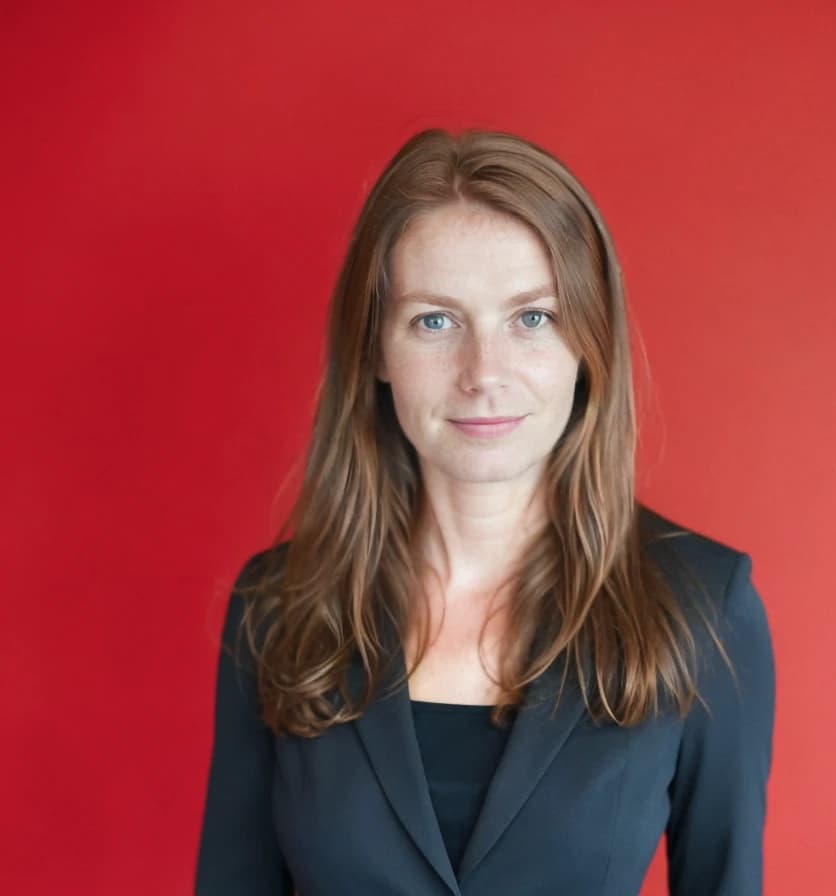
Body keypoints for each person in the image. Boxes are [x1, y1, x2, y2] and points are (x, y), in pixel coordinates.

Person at [195, 128, 775, 896]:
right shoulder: (277, 608)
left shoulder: (704, 605)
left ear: (588, 343)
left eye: (531, 318)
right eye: (436, 321)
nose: (484, 374)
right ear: (375, 349)